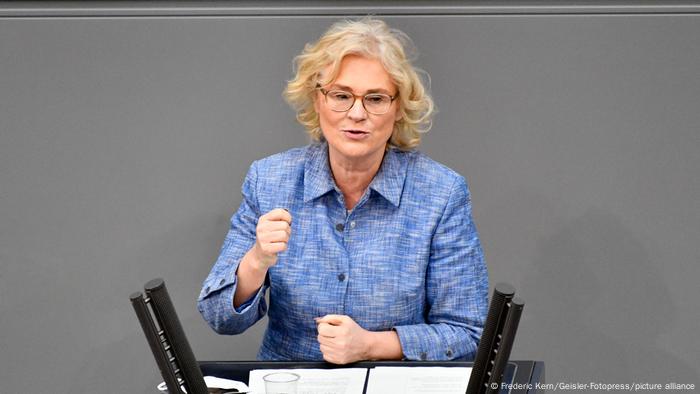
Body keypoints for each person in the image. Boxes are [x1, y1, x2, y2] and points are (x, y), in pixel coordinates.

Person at [198, 17, 488, 364]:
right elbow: (218, 316)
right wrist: (256, 261)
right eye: (341, 95)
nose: (356, 113)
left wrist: (371, 345)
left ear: (398, 108)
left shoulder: (440, 193)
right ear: (316, 100)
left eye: (376, 98)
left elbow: (468, 332)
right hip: (291, 383)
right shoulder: (270, 180)